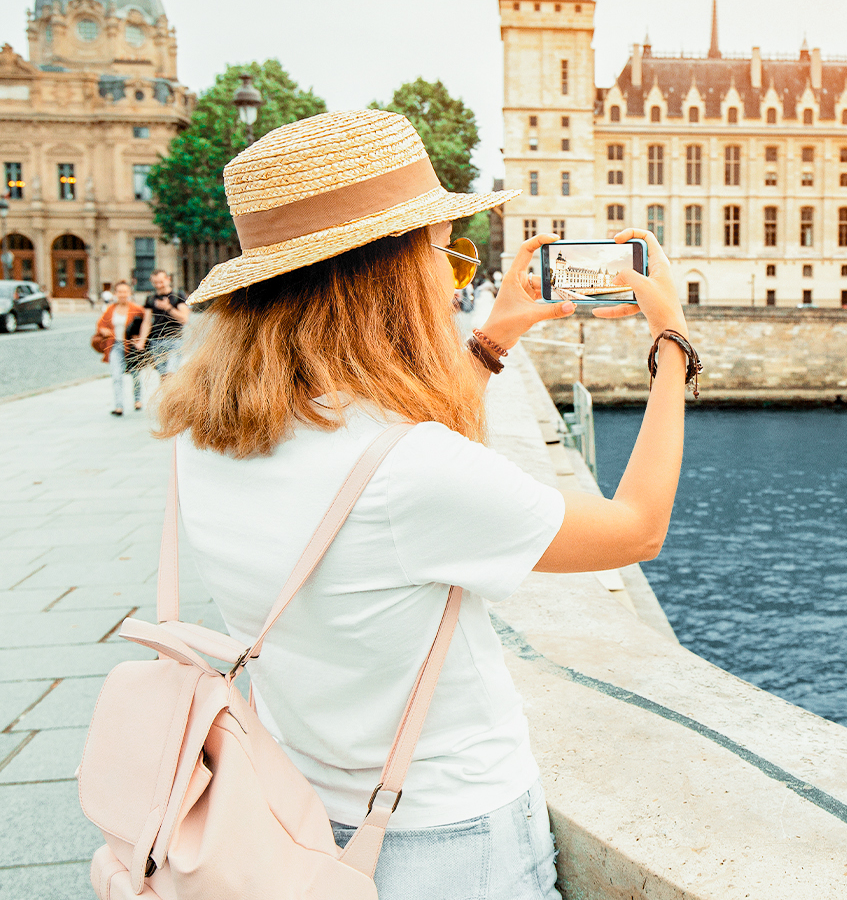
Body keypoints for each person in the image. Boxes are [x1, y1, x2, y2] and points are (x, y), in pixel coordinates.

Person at [153, 110, 691, 900]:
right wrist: (673, 343)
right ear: (390, 273)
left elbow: (388, 459)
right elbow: (637, 529)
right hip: (448, 839)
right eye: (448, 250)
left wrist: (494, 339)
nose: (456, 275)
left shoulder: (200, 440)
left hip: (291, 805)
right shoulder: (410, 473)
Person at [92, 280, 147, 415]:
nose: (122, 294)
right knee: (116, 375)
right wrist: (104, 330)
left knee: (135, 374)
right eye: (119, 292)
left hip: (131, 346)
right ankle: (119, 406)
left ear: (129, 293)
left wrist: (140, 341)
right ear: (115, 293)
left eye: (125, 291)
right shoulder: (111, 309)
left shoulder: (137, 309)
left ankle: (138, 400)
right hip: (115, 345)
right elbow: (100, 324)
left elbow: (145, 326)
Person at [134, 269, 190, 377]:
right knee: (163, 376)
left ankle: (173, 393)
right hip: (156, 340)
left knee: (171, 373)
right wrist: (142, 341)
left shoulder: (178, 296)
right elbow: (147, 322)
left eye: (161, 282)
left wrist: (168, 308)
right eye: (155, 283)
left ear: (168, 279)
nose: (158, 285)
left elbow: (184, 318)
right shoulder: (150, 299)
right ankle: (167, 394)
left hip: (174, 339)